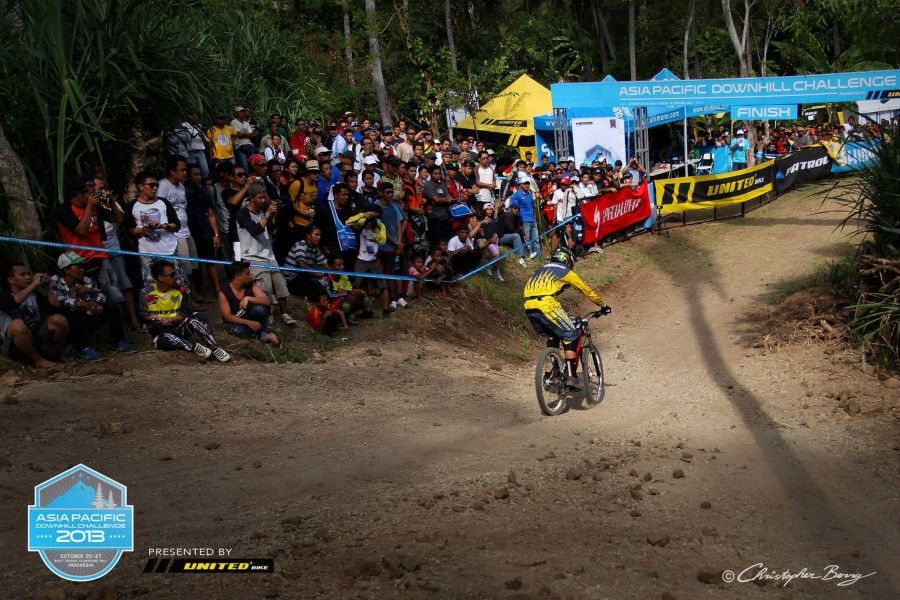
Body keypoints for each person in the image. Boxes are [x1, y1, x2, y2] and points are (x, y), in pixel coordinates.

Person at [523, 247, 610, 388]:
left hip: (529, 307)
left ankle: (556, 370)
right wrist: (603, 305)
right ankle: (571, 376)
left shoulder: (540, 271)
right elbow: (586, 289)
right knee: (571, 333)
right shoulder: (565, 271)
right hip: (546, 304)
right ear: (567, 260)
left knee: (553, 336)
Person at [139, 260, 231, 362]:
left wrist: (170, 319)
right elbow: (144, 316)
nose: (176, 277)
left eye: (176, 273)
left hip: (178, 327)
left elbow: (185, 314)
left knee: (198, 316)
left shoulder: (180, 290)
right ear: (160, 278)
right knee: (164, 338)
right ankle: (193, 347)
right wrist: (153, 318)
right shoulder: (146, 292)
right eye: (172, 275)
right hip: (160, 333)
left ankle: (214, 347)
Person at [236, 184, 298, 325]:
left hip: (269, 255)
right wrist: (268, 214)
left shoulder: (262, 212)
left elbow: (270, 229)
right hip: (254, 257)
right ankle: (267, 315)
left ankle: (285, 314)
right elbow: (255, 230)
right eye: (260, 197)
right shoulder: (242, 214)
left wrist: (272, 216)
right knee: (265, 289)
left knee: (280, 286)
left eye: (265, 197)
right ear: (252, 199)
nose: (264, 200)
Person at [50, 251, 127, 359]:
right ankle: (82, 349)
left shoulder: (87, 280)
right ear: (66, 270)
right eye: (78, 267)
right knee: (69, 313)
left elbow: (102, 298)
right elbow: (60, 301)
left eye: (82, 266)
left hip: (87, 319)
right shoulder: (56, 280)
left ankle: (118, 342)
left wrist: (92, 293)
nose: (82, 269)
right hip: (69, 323)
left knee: (111, 306)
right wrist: (82, 303)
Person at [124, 170, 191, 291]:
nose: (155, 188)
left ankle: (184, 308)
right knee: (152, 287)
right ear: (140, 186)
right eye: (151, 185)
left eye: (156, 185)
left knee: (178, 283)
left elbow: (176, 225)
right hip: (147, 253)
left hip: (169, 250)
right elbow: (129, 230)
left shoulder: (163, 202)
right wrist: (142, 230)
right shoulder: (132, 205)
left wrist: (163, 226)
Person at [156, 155, 204, 307]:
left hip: (187, 230)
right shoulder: (163, 186)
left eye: (185, 169)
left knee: (194, 265)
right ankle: (190, 297)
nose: (185, 173)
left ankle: (196, 293)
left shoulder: (182, 187)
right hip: (174, 233)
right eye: (181, 170)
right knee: (184, 268)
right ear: (172, 171)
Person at [0, 262, 69, 368]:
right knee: (17, 325)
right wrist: (34, 284)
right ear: (11, 280)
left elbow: (55, 309)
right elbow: (13, 302)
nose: (28, 277)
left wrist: (48, 288)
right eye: (23, 275)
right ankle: (39, 361)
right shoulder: (4, 296)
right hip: (15, 346)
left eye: (28, 274)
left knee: (59, 319)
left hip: (37, 338)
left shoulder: (34, 295)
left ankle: (56, 354)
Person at [217, 261, 282, 348]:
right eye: (247, 274)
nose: (251, 275)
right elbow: (227, 317)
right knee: (237, 330)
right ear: (238, 277)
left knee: (260, 310)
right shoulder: (223, 292)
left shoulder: (251, 285)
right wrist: (248, 323)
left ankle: (260, 331)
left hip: (251, 317)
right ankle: (266, 336)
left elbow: (266, 301)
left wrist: (248, 298)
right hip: (236, 322)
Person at [184, 163, 222, 297]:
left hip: (205, 233)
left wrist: (216, 234)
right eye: (195, 174)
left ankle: (218, 290)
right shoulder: (181, 193)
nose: (199, 177)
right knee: (195, 266)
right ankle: (199, 291)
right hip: (190, 235)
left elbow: (211, 214)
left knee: (211, 262)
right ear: (187, 176)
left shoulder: (203, 193)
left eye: (200, 174)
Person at [284, 226, 327, 298]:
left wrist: (331, 275)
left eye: (319, 235)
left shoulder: (315, 248)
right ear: (308, 236)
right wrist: (319, 274)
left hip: (302, 274)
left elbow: (325, 263)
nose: (319, 237)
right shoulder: (301, 245)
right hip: (292, 277)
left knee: (324, 272)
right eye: (316, 235)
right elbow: (302, 266)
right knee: (319, 281)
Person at [508, 179, 540, 259]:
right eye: (525, 184)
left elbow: (533, 207)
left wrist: (535, 218)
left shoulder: (530, 193)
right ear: (521, 185)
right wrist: (518, 221)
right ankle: (527, 254)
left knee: (536, 238)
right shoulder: (516, 195)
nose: (527, 185)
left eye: (528, 183)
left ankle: (538, 256)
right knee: (526, 238)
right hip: (524, 220)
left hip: (532, 219)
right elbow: (513, 208)